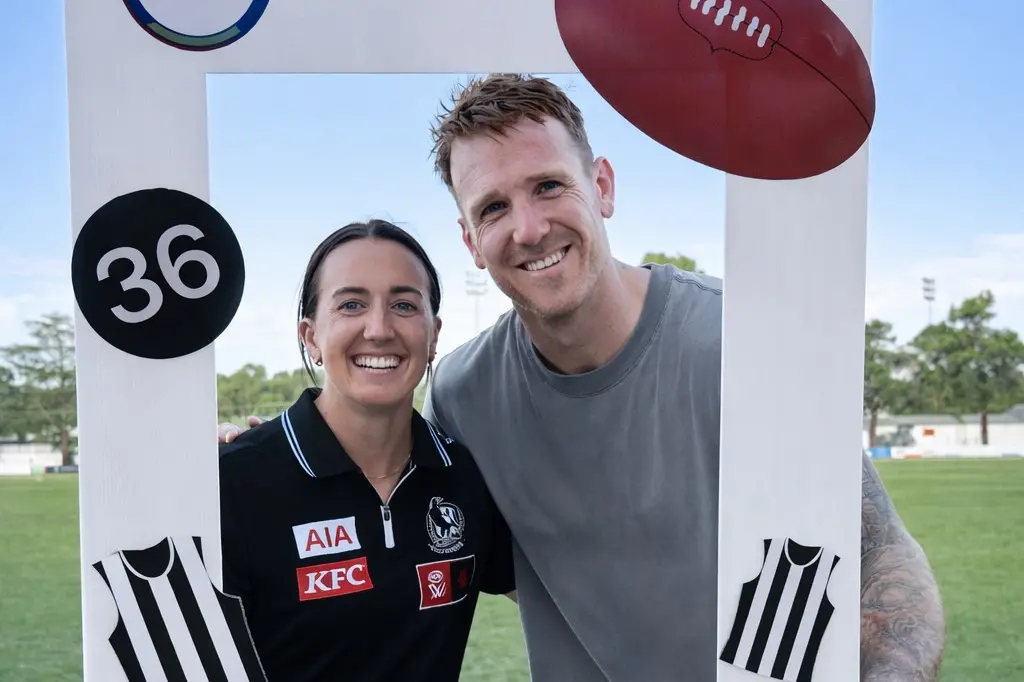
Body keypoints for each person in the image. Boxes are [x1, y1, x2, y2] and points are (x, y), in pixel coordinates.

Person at [220, 75, 946, 680]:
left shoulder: (745, 344)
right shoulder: (464, 394)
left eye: (548, 186)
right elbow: (397, 492)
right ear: (471, 241)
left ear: (602, 185)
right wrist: (259, 459)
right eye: (494, 207)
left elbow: (882, 561)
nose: (529, 228)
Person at [217, 219, 515, 682]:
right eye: (351, 304)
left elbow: (565, 589)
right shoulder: (233, 483)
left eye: (403, 304)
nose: (378, 329)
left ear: (433, 335)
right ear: (311, 336)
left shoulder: (466, 475)